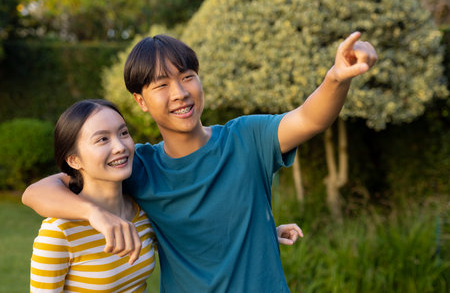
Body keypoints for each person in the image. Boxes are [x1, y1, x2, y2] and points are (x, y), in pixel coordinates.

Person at [23, 31, 377, 292]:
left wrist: (335, 78)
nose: (180, 93)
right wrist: (94, 214)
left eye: (187, 77)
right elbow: (38, 191)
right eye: (161, 85)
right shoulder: (140, 167)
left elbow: (310, 118)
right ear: (141, 101)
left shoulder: (246, 138)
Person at [29, 100, 156, 292]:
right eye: (102, 139)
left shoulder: (142, 212)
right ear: (74, 160)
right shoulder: (59, 233)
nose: (120, 146)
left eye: (123, 133)